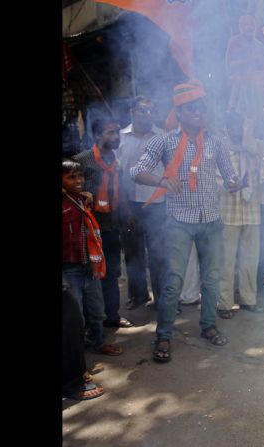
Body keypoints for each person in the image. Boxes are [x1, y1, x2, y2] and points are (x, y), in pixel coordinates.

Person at [131, 80, 241, 363]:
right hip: (179, 222)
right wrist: (163, 180)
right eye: (190, 108)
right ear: (178, 112)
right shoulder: (164, 140)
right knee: (172, 283)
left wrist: (233, 182)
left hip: (212, 221)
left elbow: (229, 174)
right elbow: (137, 170)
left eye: (200, 107)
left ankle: (208, 326)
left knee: (212, 279)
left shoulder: (216, 140)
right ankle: (164, 335)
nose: (197, 112)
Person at [216, 111, 264, 318]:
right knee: (226, 261)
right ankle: (224, 303)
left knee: (250, 260)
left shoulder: (257, 148)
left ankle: (248, 300)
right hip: (229, 211)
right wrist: (228, 183)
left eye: (243, 127)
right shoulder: (221, 148)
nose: (239, 130)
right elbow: (215, 176)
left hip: (252, 211)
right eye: (234, 126)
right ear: (227, 128)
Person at [73, 117, 135, 329]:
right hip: (88, 229)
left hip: (111, 228)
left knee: (112, 272)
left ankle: (112, 316)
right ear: (98, 135)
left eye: (117, 132)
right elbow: (70, 189)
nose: (116, 137)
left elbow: (122, 190)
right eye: (110, 133)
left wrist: (127, 215)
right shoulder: (82, 160)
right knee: (90, 275)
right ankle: (91, 323)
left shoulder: (115, 161)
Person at [62, 159, 123, 357]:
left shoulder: (82, 199)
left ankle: (98, 342)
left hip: (90, 264)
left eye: (79, 176)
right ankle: (77, 357)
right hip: (70, 267)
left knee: (97, 308)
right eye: (71, 177)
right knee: (76, 314)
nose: (78, 180)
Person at [117, 95, 166, 310]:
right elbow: (117, 175)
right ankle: (138, 295)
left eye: (151, 111)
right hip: (130, 203)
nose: (147, 115)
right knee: (133, 251)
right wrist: (124, 206)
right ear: (132, 113)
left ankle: (161, 297)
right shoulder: (120, 138)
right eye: (142, 111)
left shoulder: (163, 137)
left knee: (158, 253)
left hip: (158, 203)